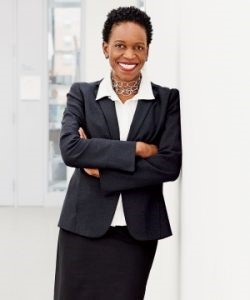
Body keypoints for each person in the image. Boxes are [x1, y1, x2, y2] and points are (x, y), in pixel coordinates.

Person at [54, 6, 182, 300]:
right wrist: (136, 149)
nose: (129, 55)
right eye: (120, 46)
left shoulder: (166, 100)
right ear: (105, 48)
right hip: (81, 226)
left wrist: (103, 168)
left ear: (148, 51)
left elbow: (169, 164)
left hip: (136, 233)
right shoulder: (82, 94)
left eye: (139, 47)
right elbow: (71, 149)